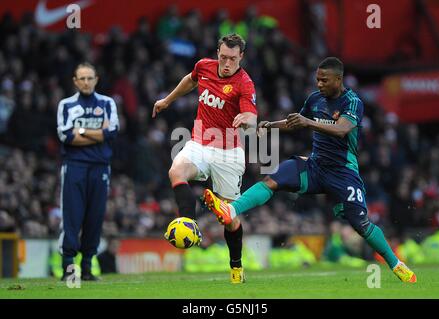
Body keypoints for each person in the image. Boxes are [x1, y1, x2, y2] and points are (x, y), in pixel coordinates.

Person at [203, 57, 417, 283]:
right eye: (317, 79)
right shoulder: (315, 99)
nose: (319, 84)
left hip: (343, 173)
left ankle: (396, 264)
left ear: (338, 79)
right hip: (315, 166)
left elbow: (342, 129)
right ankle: (231, 210)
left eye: (324, 80)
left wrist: (308, 122)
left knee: (361, 225)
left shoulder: (352, 102)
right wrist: (271, 125)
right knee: (272, 180)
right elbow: (296, 121)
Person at [153, 33, 258, 284]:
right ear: (217, 53)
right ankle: (189, 221)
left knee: (230, 219)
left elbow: (252, 118)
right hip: (199, 143)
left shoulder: (245, 84)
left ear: (241, 57)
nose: (226, 63)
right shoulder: (204, 66)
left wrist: (247, 120)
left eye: (232, 58)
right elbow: (190, 81)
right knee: (176, 171)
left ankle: (236, 268)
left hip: (228, 154)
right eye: (223, 57)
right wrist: (167, 100)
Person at [56, 62, 119, 281]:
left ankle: (87, 268)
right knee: (72, 216)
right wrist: (95, 133)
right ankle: (68, 268)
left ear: (96, 79)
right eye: (81, 78)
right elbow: (66, 137)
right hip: (74, 167)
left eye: (89, 78)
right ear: (75, 81)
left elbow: (110, 134)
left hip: (100, 167)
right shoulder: (65, 105)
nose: (85, 82)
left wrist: (80, 130)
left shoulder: (107, 103)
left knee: (95, 217)